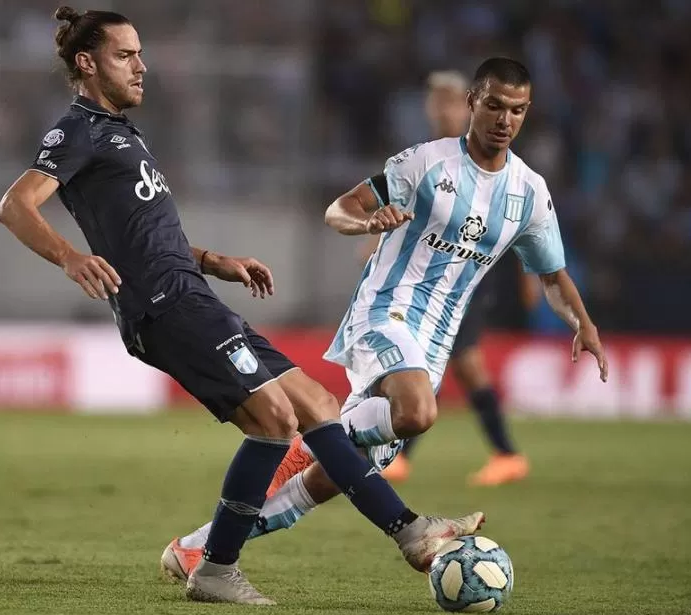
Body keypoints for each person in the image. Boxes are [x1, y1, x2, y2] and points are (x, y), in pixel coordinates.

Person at [0, 7, 483, 606]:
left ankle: (410, 534)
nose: (142, 66)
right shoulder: (78, 132)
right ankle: (222, 566)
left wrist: (212, 259)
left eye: (140, 52)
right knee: (275, 423)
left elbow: (144, 234)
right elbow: (15, 206)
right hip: (164, 308)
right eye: (126, 55)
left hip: (192, 292)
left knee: (318, 404)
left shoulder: (123, 132)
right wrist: (71, 259)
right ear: (86, 63)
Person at [161, 57, 607, 579]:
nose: (505, 119)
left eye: (518, 110)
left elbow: (552, 276)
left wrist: (583, 322)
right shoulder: (426, 163)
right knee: (417, 413)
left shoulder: (529, 192)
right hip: (384, 312)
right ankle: (316, 433)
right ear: (472, 104)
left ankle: (196, 548)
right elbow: (338, 209)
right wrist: (367, 220)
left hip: (436, 343)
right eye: (494, 105)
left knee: (329, 478)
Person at [368, 70, 542, 486]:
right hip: (421, 283)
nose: (439, 108)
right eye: (434, 101)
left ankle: (403, 455)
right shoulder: (426, 156)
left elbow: (519, 219)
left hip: (459, 283)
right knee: (460, 367)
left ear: (467, 107)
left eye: (447, 100)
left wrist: (529, 274)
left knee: (443, 363)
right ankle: (505, 453)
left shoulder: (486, 158)